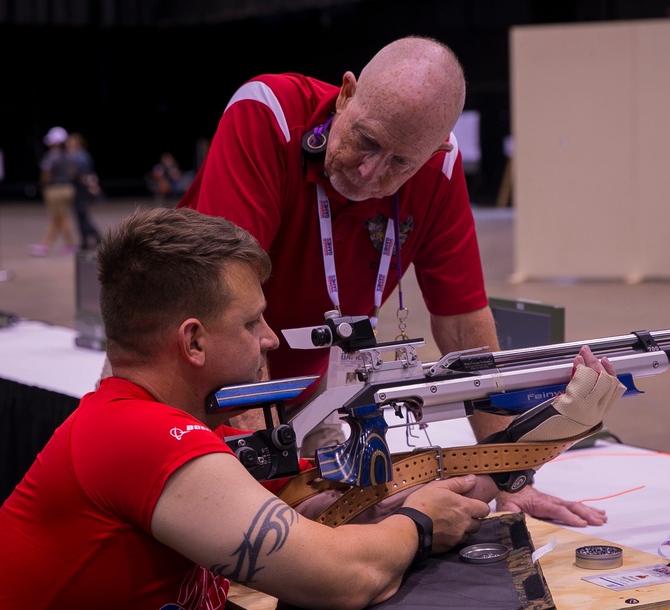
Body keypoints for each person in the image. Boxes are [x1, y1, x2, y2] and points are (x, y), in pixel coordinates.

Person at [0, 207, 622, 610]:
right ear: (193, 340)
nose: (270, 338)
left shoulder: (163, 422)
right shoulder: (139, 436)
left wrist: (416, 490)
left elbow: (293, 513)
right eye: (252, 321)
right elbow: (344, 575)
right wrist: (418, 520)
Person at [179, 35, 607, 527]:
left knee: (341, 530)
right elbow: (222, 305)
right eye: (366, 140)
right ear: (345, 94)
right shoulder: (268, 115)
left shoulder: (439, 173)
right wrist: (262, 472)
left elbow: (465, 328)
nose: (369, 172)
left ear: (436, 150)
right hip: (197, 378)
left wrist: (513, 475)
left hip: (309, 395)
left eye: (400, 163)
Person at [30, 126, 77, 256]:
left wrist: (43, 186)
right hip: (68, 188)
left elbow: (46, 174)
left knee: (60, 218)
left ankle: (70, 245)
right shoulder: (69, 155)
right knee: (56, 218)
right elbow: (73, 172)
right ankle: (45, 244)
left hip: (55, 189)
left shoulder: (51, 156)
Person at [66, 132, 103, 250]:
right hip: (79, 189)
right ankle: (87, 240)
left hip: (82, 189)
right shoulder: (79, 155)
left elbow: (83, 174)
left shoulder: (80, 156)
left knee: (82, 215)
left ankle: (95, 237)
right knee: (81, 216)